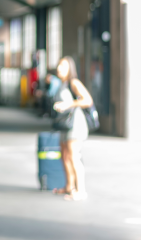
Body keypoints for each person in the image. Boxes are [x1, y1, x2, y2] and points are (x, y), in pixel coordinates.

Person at [52, 56, 94, 201]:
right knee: (65, 155)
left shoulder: (73, 82)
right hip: (65, 124)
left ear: (70, 68)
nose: (59, 68)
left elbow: (88, 100)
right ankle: (69, 186)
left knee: (74, 156)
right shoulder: (61, 83)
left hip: (76, 125)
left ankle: (81, 191)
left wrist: (68, 104)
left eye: (63, 66)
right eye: (58, 65)